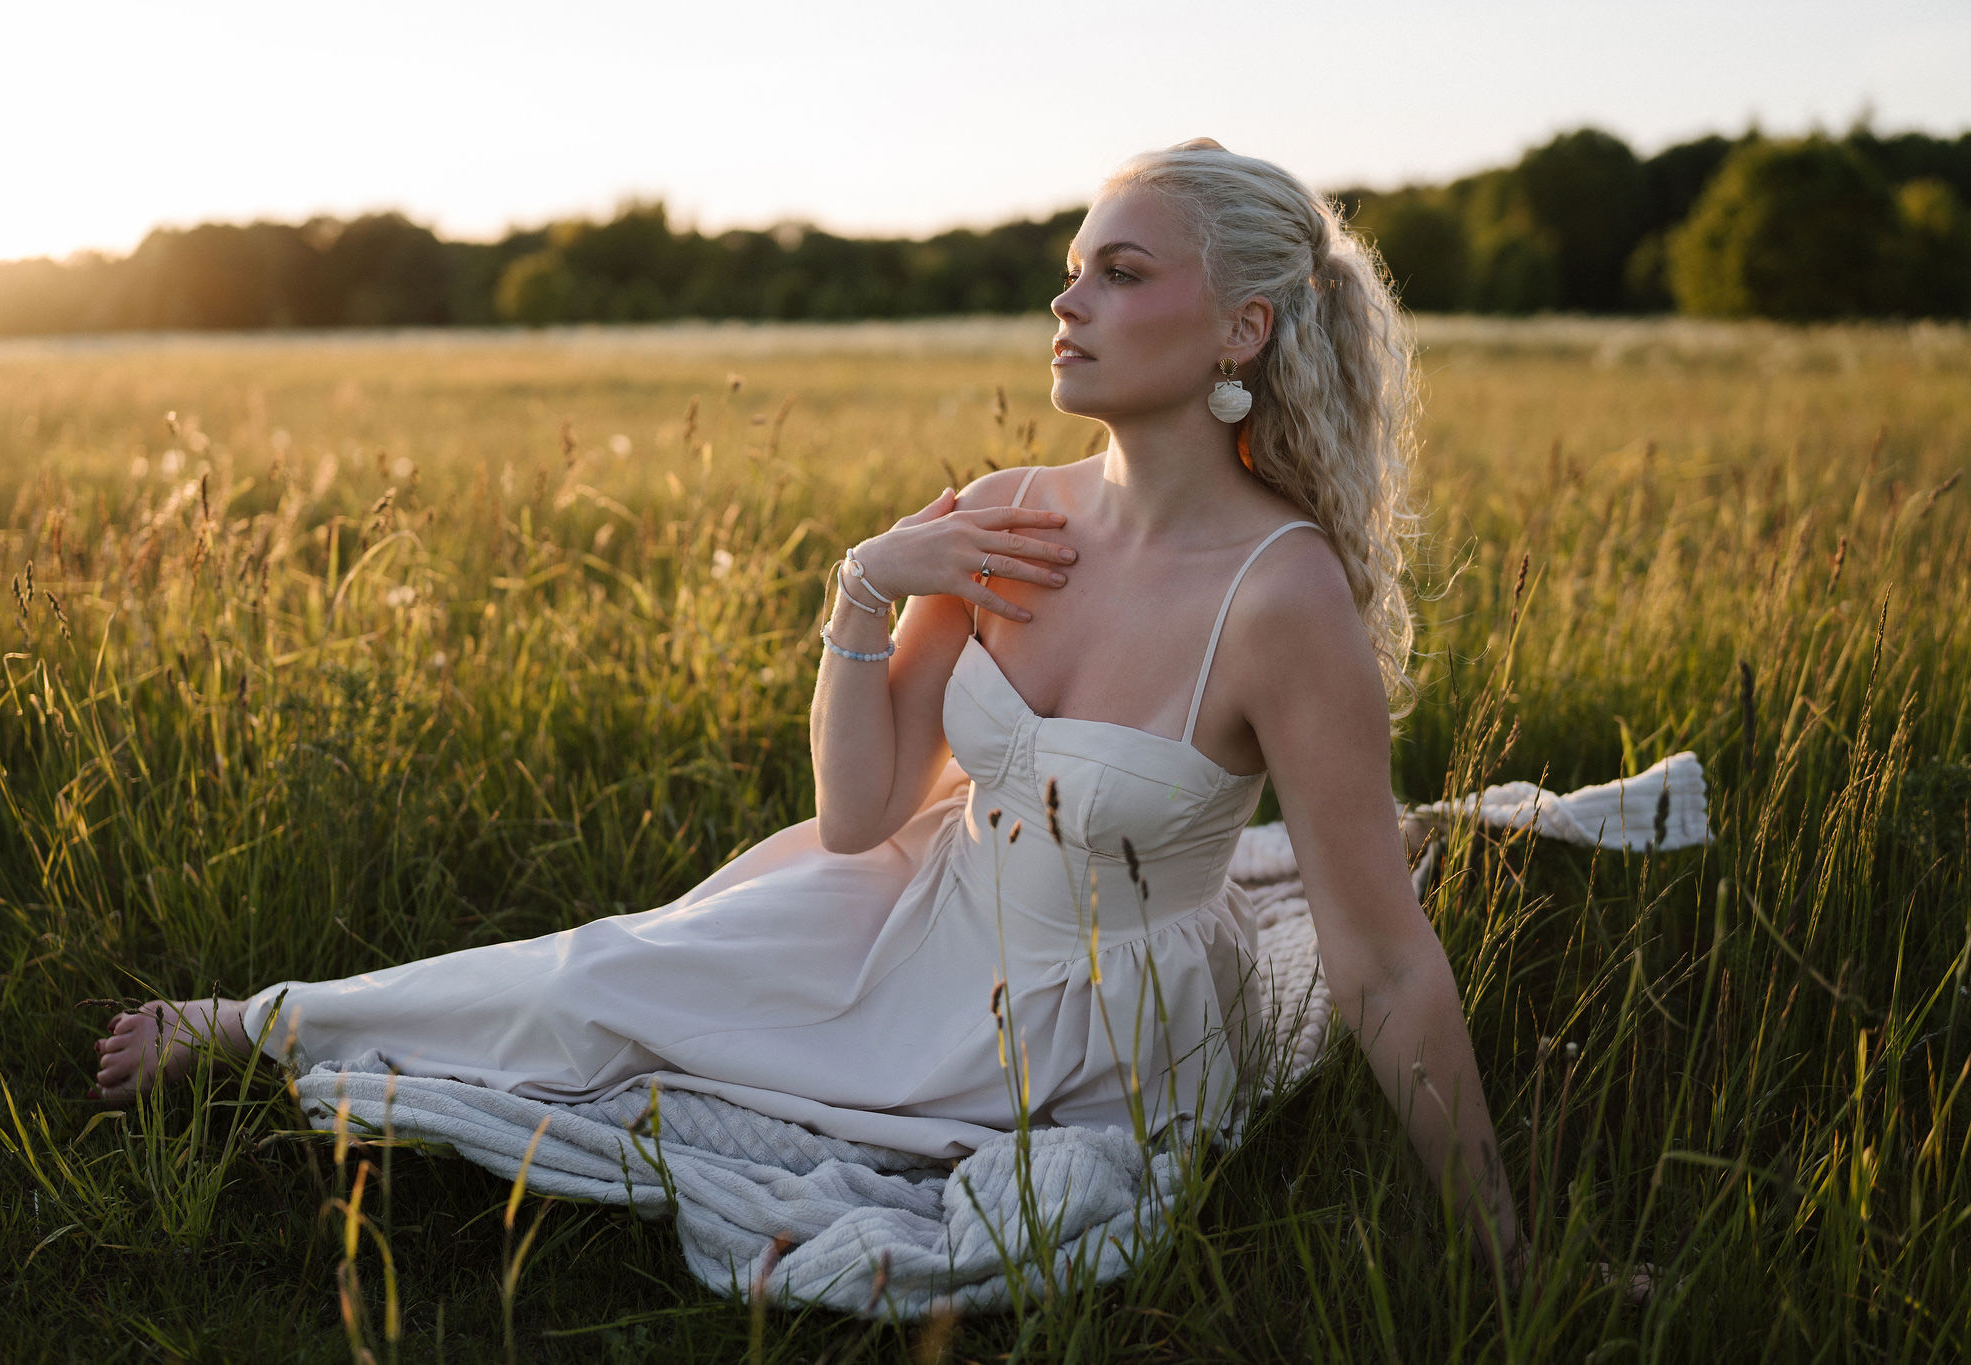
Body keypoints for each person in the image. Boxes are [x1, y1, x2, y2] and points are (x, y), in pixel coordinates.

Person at [89, 138, 1641, 1297]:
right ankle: (254, 1020)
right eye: (1073, 263)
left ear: (1240, 331)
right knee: (603, 974)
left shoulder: (1283, 599)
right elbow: (857, 809)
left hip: (1085, 1023)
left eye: (1121, 271)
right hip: (909, 901)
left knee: (667, 1047)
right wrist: (864, 587)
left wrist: (1503, 1250)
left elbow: (1378, 958)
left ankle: (285, 1028)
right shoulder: (1009, 516)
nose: (1067, 297)